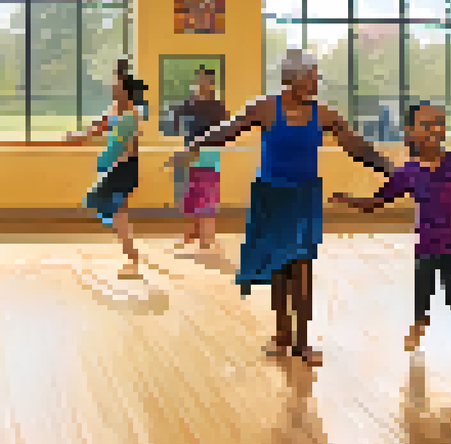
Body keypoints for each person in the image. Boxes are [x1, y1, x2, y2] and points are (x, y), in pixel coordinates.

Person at [169, 49, 395, 367]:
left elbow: (355, 145)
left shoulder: (325, 114)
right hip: (271, 197)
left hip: (304, 198)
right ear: (293, 77)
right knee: (278, 269)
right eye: (312, 75)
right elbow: (228, 130)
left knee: (301, 267)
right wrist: (194, 146)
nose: (317, 81)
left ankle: (302, 340)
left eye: (317, 75)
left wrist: (386, 166)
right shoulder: (265, 107)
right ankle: (281, 333)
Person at [330, 102, 451, 380]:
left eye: (440, 123)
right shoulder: (408, 172)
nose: (435, 129)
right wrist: (350, 199)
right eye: (426, 125)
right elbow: (377, 202)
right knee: (422, 285)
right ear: (410, 133)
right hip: (427, 242)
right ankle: (419, 321)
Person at [65, 58, 147, 279]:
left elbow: (132, 146)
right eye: (113, 89)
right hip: (114, 166)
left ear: (126, 93)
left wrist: (118, 164)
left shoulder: (133, 115)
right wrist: (77, 136)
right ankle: (131, 252)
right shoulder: (114, 111)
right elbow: (97, 128)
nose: (113, 93)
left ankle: (132, 255)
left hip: (124, 167)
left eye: (117, 89)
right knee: (113, 208)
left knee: (111, 207)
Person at [174, 66, 227, 253]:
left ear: (212, 84)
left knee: (207, 200)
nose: (200, 85)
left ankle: (206, 238)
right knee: (189, 200)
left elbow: (224, 133)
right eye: (198, 81)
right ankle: (189, 235)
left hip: (209, 160)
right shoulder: (188, 105)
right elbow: (174, 122)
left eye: (205, 81)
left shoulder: (219, 107)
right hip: (190, 159)